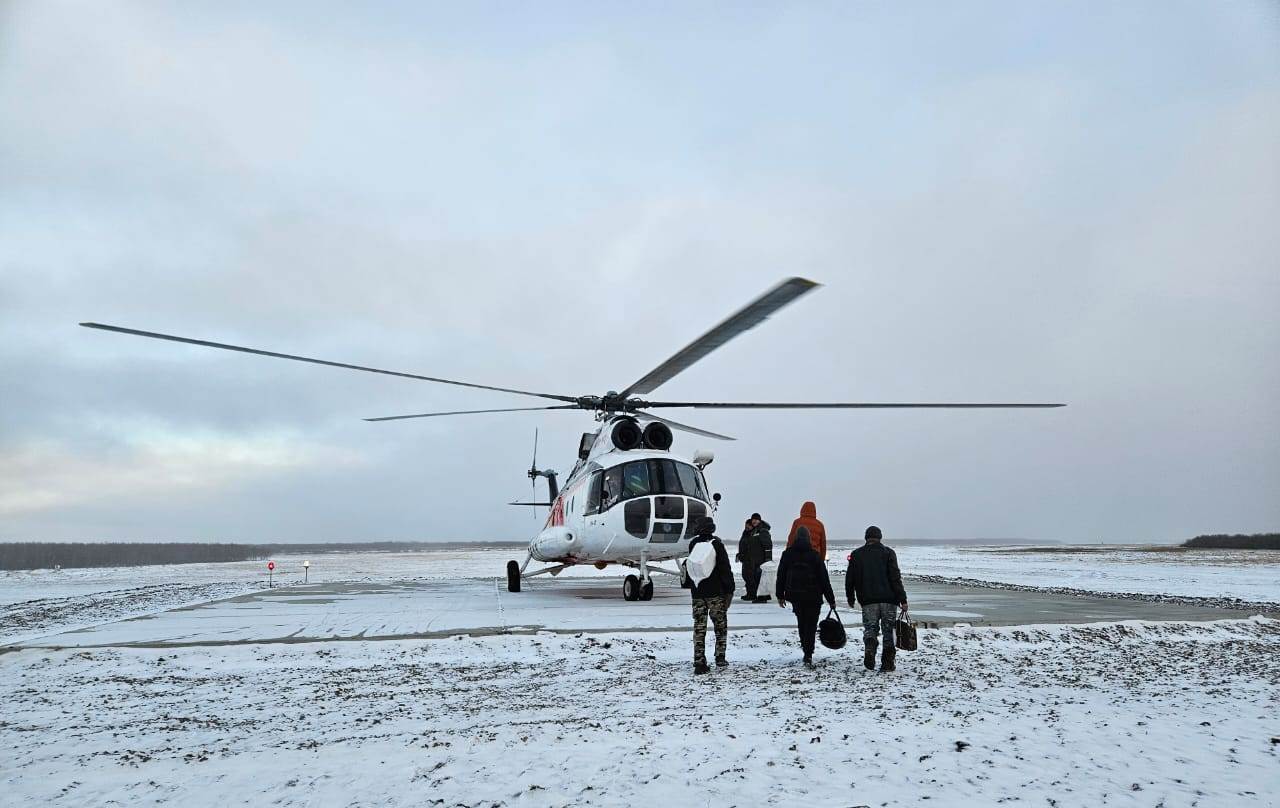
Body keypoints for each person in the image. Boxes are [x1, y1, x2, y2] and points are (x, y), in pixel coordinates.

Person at [846, 525, 908, 672]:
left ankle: (870, 646)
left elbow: (850, 579)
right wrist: (902, 599)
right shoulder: (889, 553)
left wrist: (851, 597)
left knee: (870, 629)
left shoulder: (856, 554)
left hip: (868, 601)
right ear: (880, 537)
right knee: (889, 631)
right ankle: (887, 663)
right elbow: (895, 578)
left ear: (866, 538)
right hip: (889, 600)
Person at [775, 526, 836, 667]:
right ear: (809, 538)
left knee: (801, 623)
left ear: (796, 538)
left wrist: (780, 595)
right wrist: (831, 599)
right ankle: (809, 653)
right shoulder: (814, 555)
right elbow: (824, 579)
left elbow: (781, 575)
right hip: (813, 596)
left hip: (795, 595)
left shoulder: (788, 554)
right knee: (811, 625)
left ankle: (806, 650)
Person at [682, 516, 735, 674]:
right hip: (715, 593)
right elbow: (725, 569)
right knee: (720, 626)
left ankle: (699, 660)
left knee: (699, 627)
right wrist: (729, 590)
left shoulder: (693, 544)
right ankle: (720, 657)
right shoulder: (717, 544)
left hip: (698, 593)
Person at [735, 512, 773, 602]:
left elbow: (768, 545)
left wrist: (768, 560)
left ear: (759, 520)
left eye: (756, 520)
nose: (754, 521)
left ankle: (762, 598)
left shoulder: (762, 530)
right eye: (753, 520)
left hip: (761, 560)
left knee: (760, 579)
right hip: (753, 560)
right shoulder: (754, 531)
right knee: (754, 578)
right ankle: (754, 595)